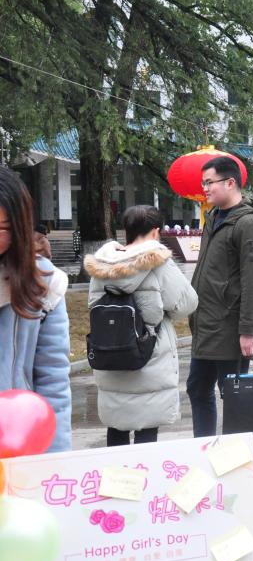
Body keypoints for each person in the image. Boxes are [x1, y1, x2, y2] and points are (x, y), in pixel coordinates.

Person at [85, 205, 198, 447]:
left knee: (116, 425)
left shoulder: (102, 264)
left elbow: (93, 305)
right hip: (148, 353)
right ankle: (144, 470)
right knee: (147, 426)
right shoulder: (158, 263)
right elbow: (187, 303)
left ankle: (117, 470)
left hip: (108, 353)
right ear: (156, 231)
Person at [188, 156, 253, 438]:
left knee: (234, 397)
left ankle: (235, 458)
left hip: (229, 328)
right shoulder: (213, 217)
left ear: (230, 182)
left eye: (209, 182)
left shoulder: (248, 223)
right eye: (203, 183)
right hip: (205, 325)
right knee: (197, 389)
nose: (205, 188)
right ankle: (204, 449)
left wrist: (249, 330)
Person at [0, 167, 71, 453]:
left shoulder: (43, 284)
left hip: (18, 444)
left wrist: (55, 461)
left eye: (2, 228)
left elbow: (53, 378)